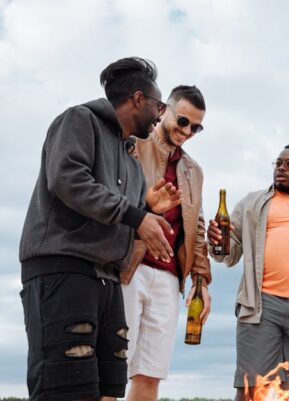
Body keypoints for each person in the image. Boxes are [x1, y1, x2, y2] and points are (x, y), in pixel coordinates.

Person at [19, 57, 175, 401]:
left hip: (107, 279)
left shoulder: (132, 163)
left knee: (107, 388)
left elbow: (120, 215)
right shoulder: (79, 120)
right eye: (158, 105)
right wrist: (137, 217)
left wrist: (148, 210)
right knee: (65, 385)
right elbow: (68, 180)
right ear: (137, 99)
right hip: (63, 270)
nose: (160, 115)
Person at [208, 144, 289, 400]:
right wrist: (218, 241)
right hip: (261, 304)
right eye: (278, 163)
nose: (281, 168)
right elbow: (229, 252)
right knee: (251, 388)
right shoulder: (252, 202)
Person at [120, 85, 212, 401]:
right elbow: (113, 201)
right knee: (113, 369)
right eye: (183, 121)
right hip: (128, 269)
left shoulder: (194, 171)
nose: (187, 131)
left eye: (196, 127)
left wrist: (201, 281)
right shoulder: (131, 146)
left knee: (151, 374)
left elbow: (196, 229)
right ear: (164, 110)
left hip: (171, 280)